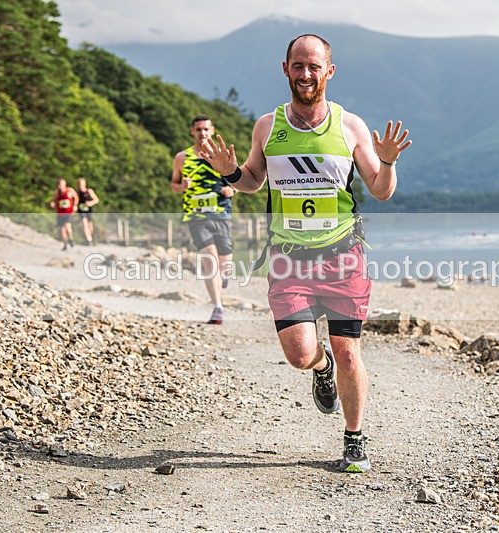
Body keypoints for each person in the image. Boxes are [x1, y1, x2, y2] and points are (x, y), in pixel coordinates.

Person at [199, 34, 411, 472]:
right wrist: (230, 172)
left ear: (329, 71)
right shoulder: (267, 126)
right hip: (288, 259)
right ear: (286, 69)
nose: (306, 74)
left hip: (343, 258)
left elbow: (381, 190)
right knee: (299, 355)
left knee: (350, 351)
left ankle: (354, 437)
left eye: (315, 66)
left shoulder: (350, 126)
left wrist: (388, 162)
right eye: (298, 65)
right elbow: (253, 180)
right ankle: (320, 366)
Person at [171, 114, 236, 324]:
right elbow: (174, 185)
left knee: (225, 262)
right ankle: (217, 308)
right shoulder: (182, 157)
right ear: (192, 131)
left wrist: (231, 190)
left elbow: (237, 182)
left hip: (221, 214)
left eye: (206, 129)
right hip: (196, 216)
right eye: (198, 129)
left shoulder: (221, 156)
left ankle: (224, 276)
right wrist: (182, 187)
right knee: (209, 259)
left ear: (212, 130)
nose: (202, 133)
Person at [49, 179, 79, 251]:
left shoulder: (70, 190)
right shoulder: (57, 192)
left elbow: (76, 197)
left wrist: (75, 205)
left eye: (61, 184)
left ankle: (71, 240)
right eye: (59, 184)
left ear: (65, 184)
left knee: (68, 226)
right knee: (62, 229)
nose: (60, 186)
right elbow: (54, 200)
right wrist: (52, 203)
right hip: (60, 213)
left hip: (68, 212)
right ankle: (65, 244)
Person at [76, 178, 99, 245]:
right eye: (79, 184)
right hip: (81, 211)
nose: (80, 186)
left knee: (90, 226)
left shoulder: (89, 191)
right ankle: (89, 240)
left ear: (85, 184)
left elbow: (96, 200)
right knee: (84, 224)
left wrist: (90, 203)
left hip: (88, 210)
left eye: (82, 184)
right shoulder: (77, 193)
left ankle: (90, 237)